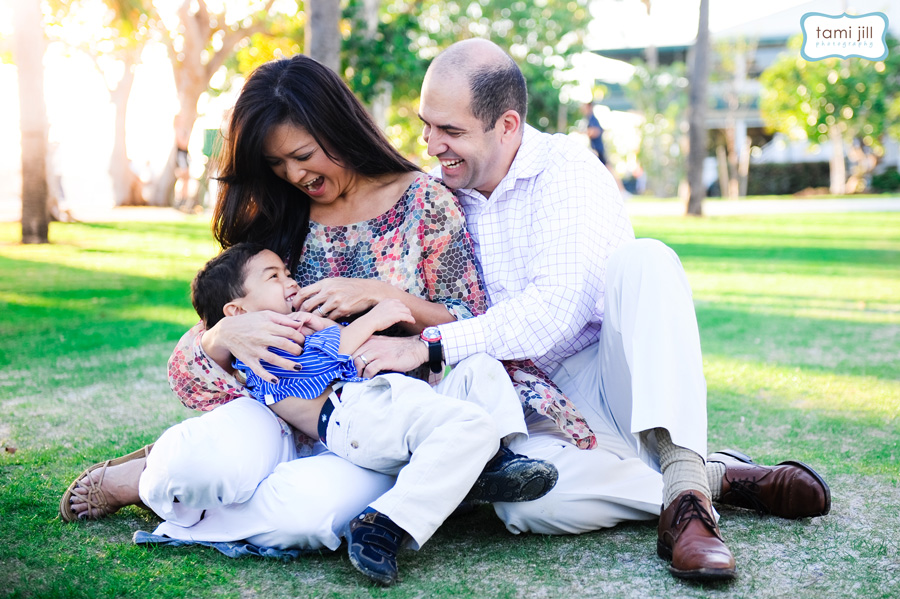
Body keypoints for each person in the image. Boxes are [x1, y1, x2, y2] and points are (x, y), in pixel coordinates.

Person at [60, 54, 574, 585]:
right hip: (282, 409)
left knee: (307, 520)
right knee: (199, 469)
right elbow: (211, 341)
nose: (294, 175)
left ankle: (176, 495)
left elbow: (472, 321)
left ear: (338, 128)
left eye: (301, 155)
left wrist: (381, 295)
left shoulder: (425, 202)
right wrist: (224, 333)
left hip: (386, 419)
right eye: (277, 164)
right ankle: (151, 479)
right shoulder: (280, 215)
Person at [352, 39, 832, 582]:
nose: (432, 145)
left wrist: (426, 345)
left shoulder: (568, 172)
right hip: (527, 406)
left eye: (451, 131)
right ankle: (705, 480)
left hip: (612, 380)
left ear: (507, 125)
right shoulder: (436, 197)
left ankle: (690, 504)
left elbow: (553, 311)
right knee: (525, 505)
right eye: (427, 126)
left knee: (646, 260)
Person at [188, 241, 557, 584]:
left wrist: (333, 327)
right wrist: (373, 318)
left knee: (479, 365)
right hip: (349, 417)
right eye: (273, 276)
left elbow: (333, 351)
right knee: (471, 426)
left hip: (385, 402)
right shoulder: (257, 347)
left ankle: (495, 462)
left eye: (287, 273)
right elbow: (318, 370)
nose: (290, 281)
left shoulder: (297, 325)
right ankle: (383, 523)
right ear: (236, 314)